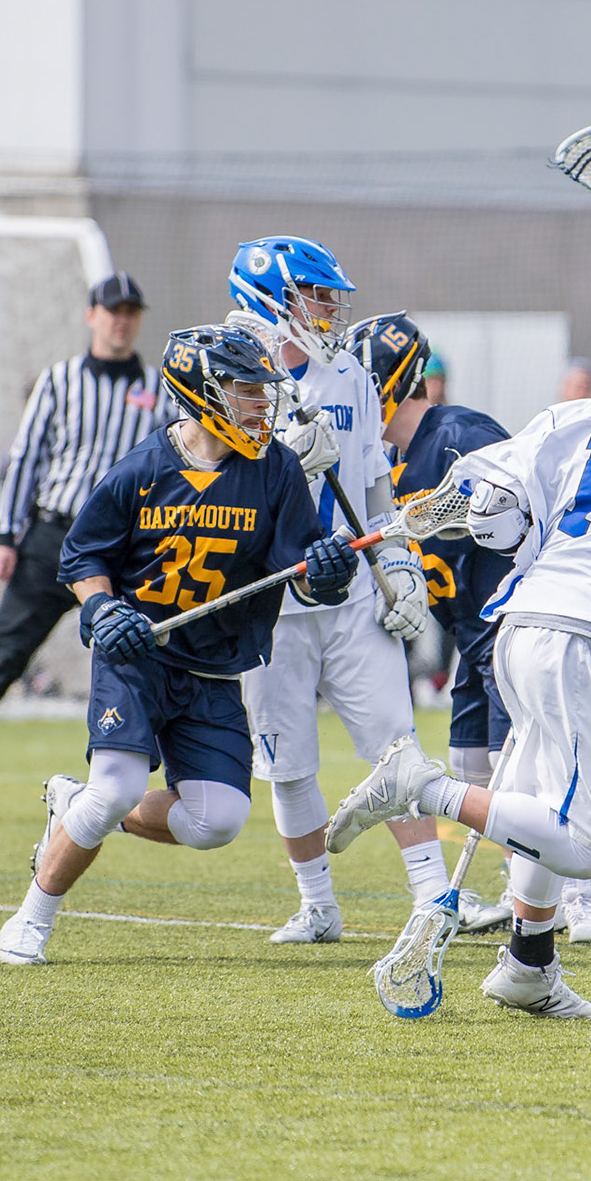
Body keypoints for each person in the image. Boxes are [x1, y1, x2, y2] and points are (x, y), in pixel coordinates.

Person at [323, 306, 591, 1017]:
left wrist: (507, 513)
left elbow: (484, 491)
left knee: (537, 809)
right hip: (588, 636)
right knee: (581, 845)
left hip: (522, 625)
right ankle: (422, 787)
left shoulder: (566, 418)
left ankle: (529, 965)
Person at [0, 325, 357, 965]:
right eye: (245, 390)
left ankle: (72, 805)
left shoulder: (273, 468)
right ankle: (31, 919)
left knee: (216, 821)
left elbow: (303, 572)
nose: (260, 404)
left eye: (260, 391)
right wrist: (104, 607)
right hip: (138, 655)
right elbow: (82, 556)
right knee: (114, 789)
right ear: (201, 392)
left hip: (215, 666)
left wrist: (329, 571)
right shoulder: (141, 469)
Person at [350, 311, 591, 943]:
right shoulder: (379, 460)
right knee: (471, 762)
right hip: (470, 632)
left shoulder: (460, 435)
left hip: (511, 622)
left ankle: (577, 896)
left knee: (523, 769)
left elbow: (532, 498)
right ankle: (513, 888)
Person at [225, 237, 441, 945]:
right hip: (273, 597)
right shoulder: (226, 369)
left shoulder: (348, 371)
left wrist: (400, 557)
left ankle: (434, 897)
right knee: (287, 761)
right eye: (318, 295)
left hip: (350, 594)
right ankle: (317, 905)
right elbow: (212, 481)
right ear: (276, 298)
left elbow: (374, 482)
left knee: (397, 746)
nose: (331, 309)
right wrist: (280, 455)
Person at [0, 274, 173, 701]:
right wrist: (6, 534)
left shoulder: (157, 390)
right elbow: (27, 457)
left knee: (140, 652)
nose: (122, 321)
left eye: (131, 313)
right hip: (53, 536)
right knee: (6, 650)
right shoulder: (58, 380)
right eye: (114, 311)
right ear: (92, 315)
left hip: (123, 544)